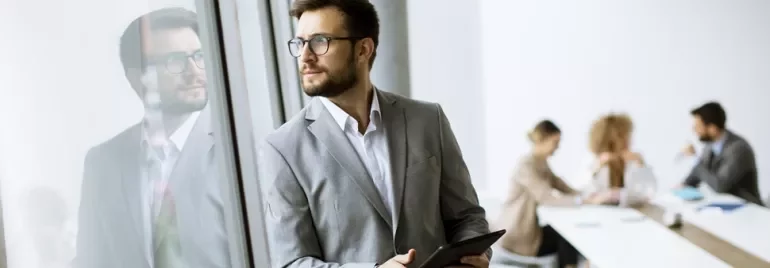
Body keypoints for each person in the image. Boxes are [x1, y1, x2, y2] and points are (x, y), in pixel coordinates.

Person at [260, 0, 491, 267]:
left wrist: (473, 256)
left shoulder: (428, 120)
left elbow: (467, 217)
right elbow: (293, 262)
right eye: (300, 43)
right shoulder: (283, 149)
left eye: (320, 41)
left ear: (363, 49)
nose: (305, 56)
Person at [75, 8, 230, 268]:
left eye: (199, 57)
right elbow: (91, 258)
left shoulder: (239, 151)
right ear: (138, 78)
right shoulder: (103, 162)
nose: (195, 72)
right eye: (175, 61)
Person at [496, 120, 613, 268]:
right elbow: (546, 198)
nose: (557, 147)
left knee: (570, 235)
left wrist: (589, 196)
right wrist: (583, 201)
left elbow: (561, 186)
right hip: (518, 237)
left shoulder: (541, 163)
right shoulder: (526, 166)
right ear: (542, 139)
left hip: (530, 232)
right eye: (555, 142)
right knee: (567, 236)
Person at [678, 102, 763, 205]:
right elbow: (698, 173)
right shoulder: (710, 146)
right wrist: (683, 185)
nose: (694, 130)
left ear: (712, 128)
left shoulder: (738, 149)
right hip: (723, 205)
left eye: (698, 126)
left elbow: (720, 186)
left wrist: (694, 158)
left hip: (748, 208)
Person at [580, 113, 657, 207]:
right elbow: (584, 194)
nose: (630, 141)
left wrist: (641, 165)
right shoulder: (593, 162)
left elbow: (647, 193)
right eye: (626, 136)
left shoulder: (633, 161)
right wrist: (598, 166)